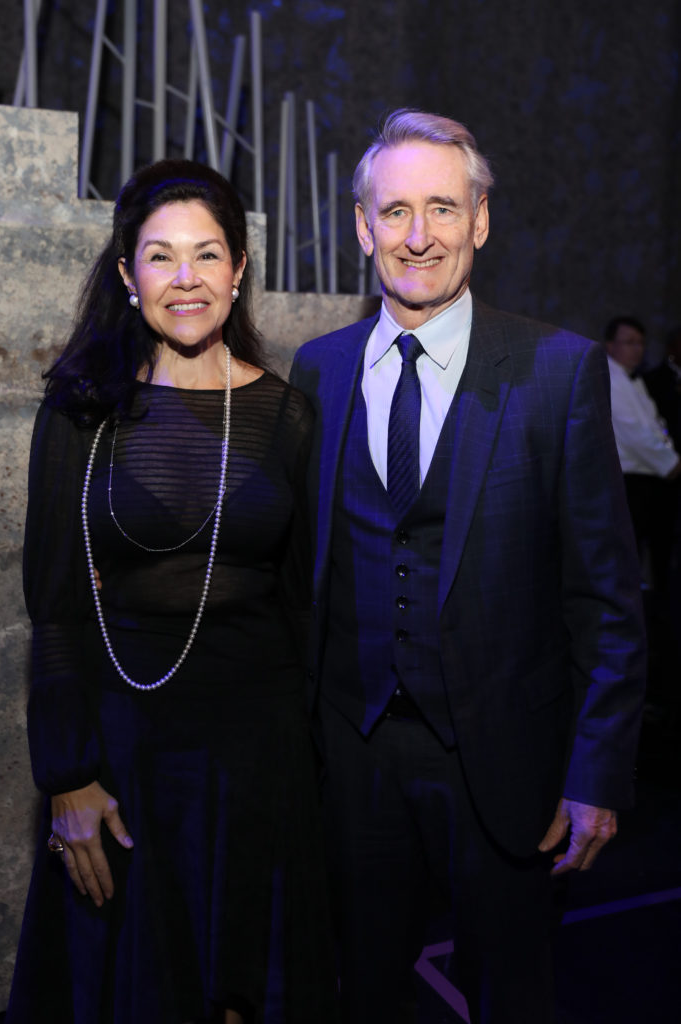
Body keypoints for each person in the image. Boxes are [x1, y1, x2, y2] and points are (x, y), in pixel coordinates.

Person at [290, 109, 646, 1024]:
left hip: (505, 764)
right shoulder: (317, 372)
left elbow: (605, 600)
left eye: (443, 208)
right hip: (353, 760)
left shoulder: (558, 372)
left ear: (479, 221)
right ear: (362, 226)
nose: (419, 236)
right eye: (396, 210)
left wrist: (595, 773)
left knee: (513, 995)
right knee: (358, 991)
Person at [8, 159, 337, 1024]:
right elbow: (52, 603)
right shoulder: (81, 409)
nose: (184, 280)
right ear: (126, 275)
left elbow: (303, 605)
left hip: (260, 759)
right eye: (160, 257)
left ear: (237, 271)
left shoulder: (291, 415)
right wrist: (68, 775)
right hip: (125, 757)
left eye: (206, 254)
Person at [604, 315, 681, 591]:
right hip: (630, 481)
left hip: (647, 478)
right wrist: (671, 463)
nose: (637, 349)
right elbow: (635, 433)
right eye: (629, 342)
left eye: (641, 343)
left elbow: (656, 425)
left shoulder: (631, 380)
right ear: (610, 346)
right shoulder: (610, 378)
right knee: (631, 550)